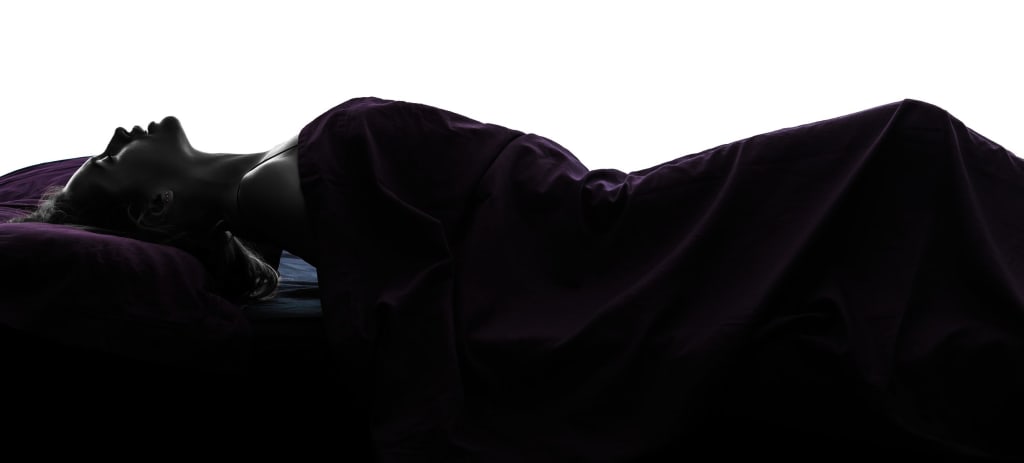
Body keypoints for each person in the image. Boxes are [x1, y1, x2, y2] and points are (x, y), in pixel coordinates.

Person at [10, 97, 1024, 461]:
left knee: (906, 156)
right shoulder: (271, 190)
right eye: (108, 159)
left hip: (601, 207)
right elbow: (441, 282)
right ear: (155, 209)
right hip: (608, 235)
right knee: (902, 150)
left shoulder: (278, 180)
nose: (119, 130)